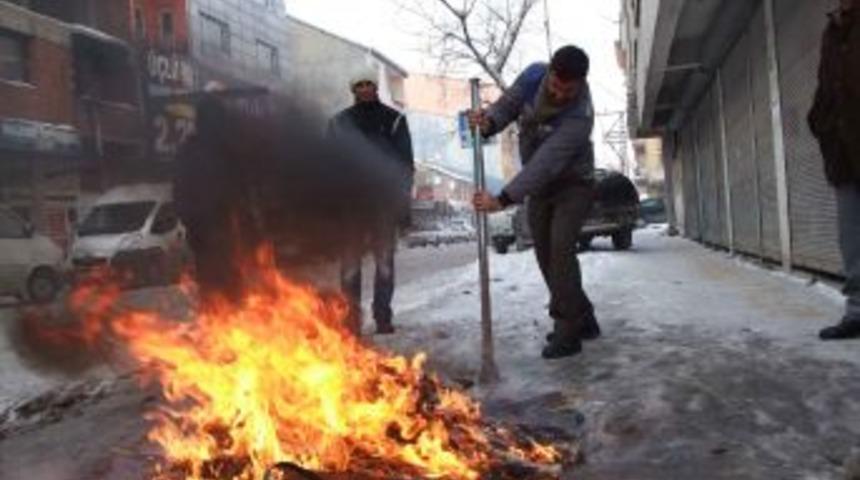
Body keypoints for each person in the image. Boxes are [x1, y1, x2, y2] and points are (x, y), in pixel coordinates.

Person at [471, 45, 600, 359]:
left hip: (573, 185)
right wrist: (488, 122)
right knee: (545, 254)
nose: (559, 94)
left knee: (560, 249)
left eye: (567, 90)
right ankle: (583, 317)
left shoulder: (580, 116)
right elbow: (507, 106)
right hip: (541, 188)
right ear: (550, 72)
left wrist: (504, 198)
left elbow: (546, 162)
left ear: (580, 84)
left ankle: (567, 331)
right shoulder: (533, 74)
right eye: (555, 85)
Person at [327, 68, 414, 335]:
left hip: (383, 206)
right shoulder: (339, 123)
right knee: (351, 266)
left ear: (376, 88)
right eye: (359, 85)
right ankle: (351, 319)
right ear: (353, 90)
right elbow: (326, 166)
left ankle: (383, 317)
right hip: (350, 207)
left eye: (369, 84)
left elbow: (404, 165)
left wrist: (401, 204)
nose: (365, 89)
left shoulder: (394, 120)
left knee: (384, 263)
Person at [809, 0, 860, 340]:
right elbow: (825, 89)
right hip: (844, 154)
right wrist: (820, 122)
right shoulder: (833, 30)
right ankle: (857, 312)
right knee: (852, 240)